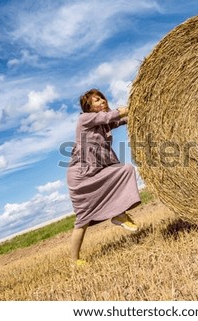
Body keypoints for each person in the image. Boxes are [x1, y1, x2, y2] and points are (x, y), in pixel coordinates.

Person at [67, 88, 141, 265]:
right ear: (89, 107)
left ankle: (118, 214)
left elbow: (120, 120)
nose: (102, 102)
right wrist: (125, 109)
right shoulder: (85, 119)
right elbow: (112, 116)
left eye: (102, 99)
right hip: (81, 175)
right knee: (82, 220)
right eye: (97, 101)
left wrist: (142, 112)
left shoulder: (103, 124)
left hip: (98, 170)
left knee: (126, 169)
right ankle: (73, 260)